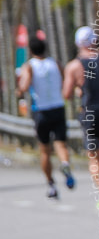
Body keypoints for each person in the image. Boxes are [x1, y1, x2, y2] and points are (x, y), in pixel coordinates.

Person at [63, 26, 99, 205]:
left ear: (78, 43)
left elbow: (66, 93)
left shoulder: (74, 66)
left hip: (89, 112)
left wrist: (80, 89)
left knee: (93, 155)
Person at [17, 35, 75, 199]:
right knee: (61, 144)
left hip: (41, 111)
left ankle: (51, 184)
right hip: (58, 107)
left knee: (45, 150)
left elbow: (25, 85)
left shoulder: (29, 66)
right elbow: (65, 79)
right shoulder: (55, 63)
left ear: (31, 50)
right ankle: (65, 164)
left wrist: (20, 88)